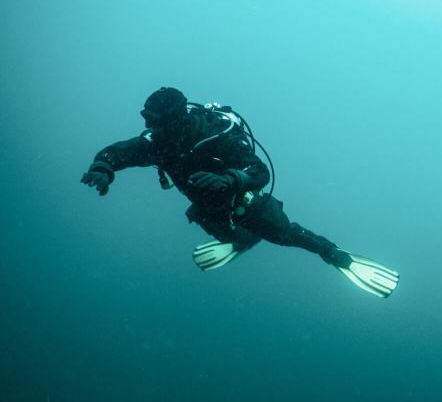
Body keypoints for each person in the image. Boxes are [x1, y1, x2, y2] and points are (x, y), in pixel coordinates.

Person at [80, 87, 398, 298]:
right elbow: (118, 152)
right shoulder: (157, 144)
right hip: (207, 209)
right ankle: (242, 240)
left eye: (154, 120)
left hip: (243, 202)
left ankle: (337, 256)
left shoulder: (217, 137)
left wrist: (230, 179)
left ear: (175, 117)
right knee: (223, 233)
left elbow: (260, 171)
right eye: (146, 119)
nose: (149, 126)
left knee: (284, 234)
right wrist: (103, 167)